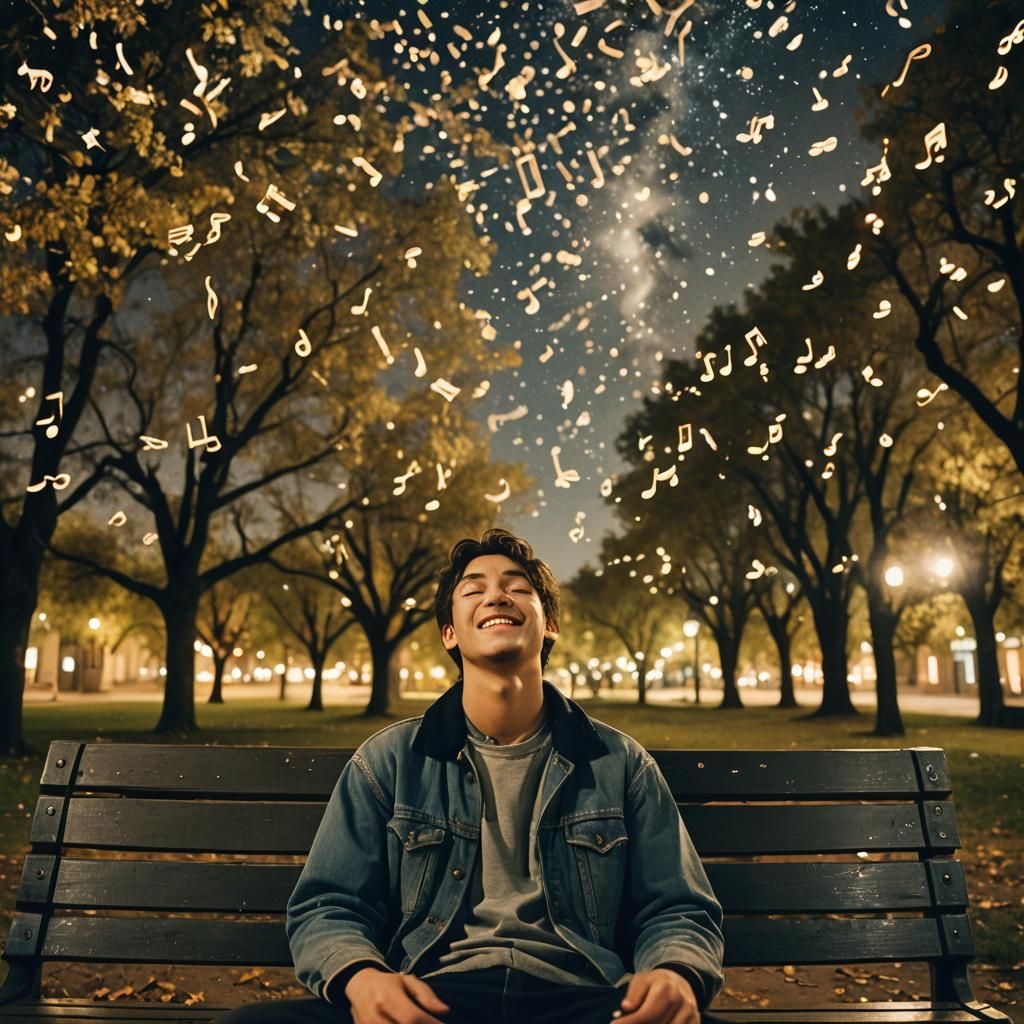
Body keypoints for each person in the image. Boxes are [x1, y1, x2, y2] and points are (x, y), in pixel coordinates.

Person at [223, 529, 723, 1024]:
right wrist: (363, 978)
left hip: (582, 997)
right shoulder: (389, 761)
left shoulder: (620, 763)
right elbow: (328, 905)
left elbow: (677, 907)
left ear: (549, 625)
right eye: (473, 589)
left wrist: (674, 973)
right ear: (450, 632)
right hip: (431, 998)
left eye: (518, 587)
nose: (497, 595)